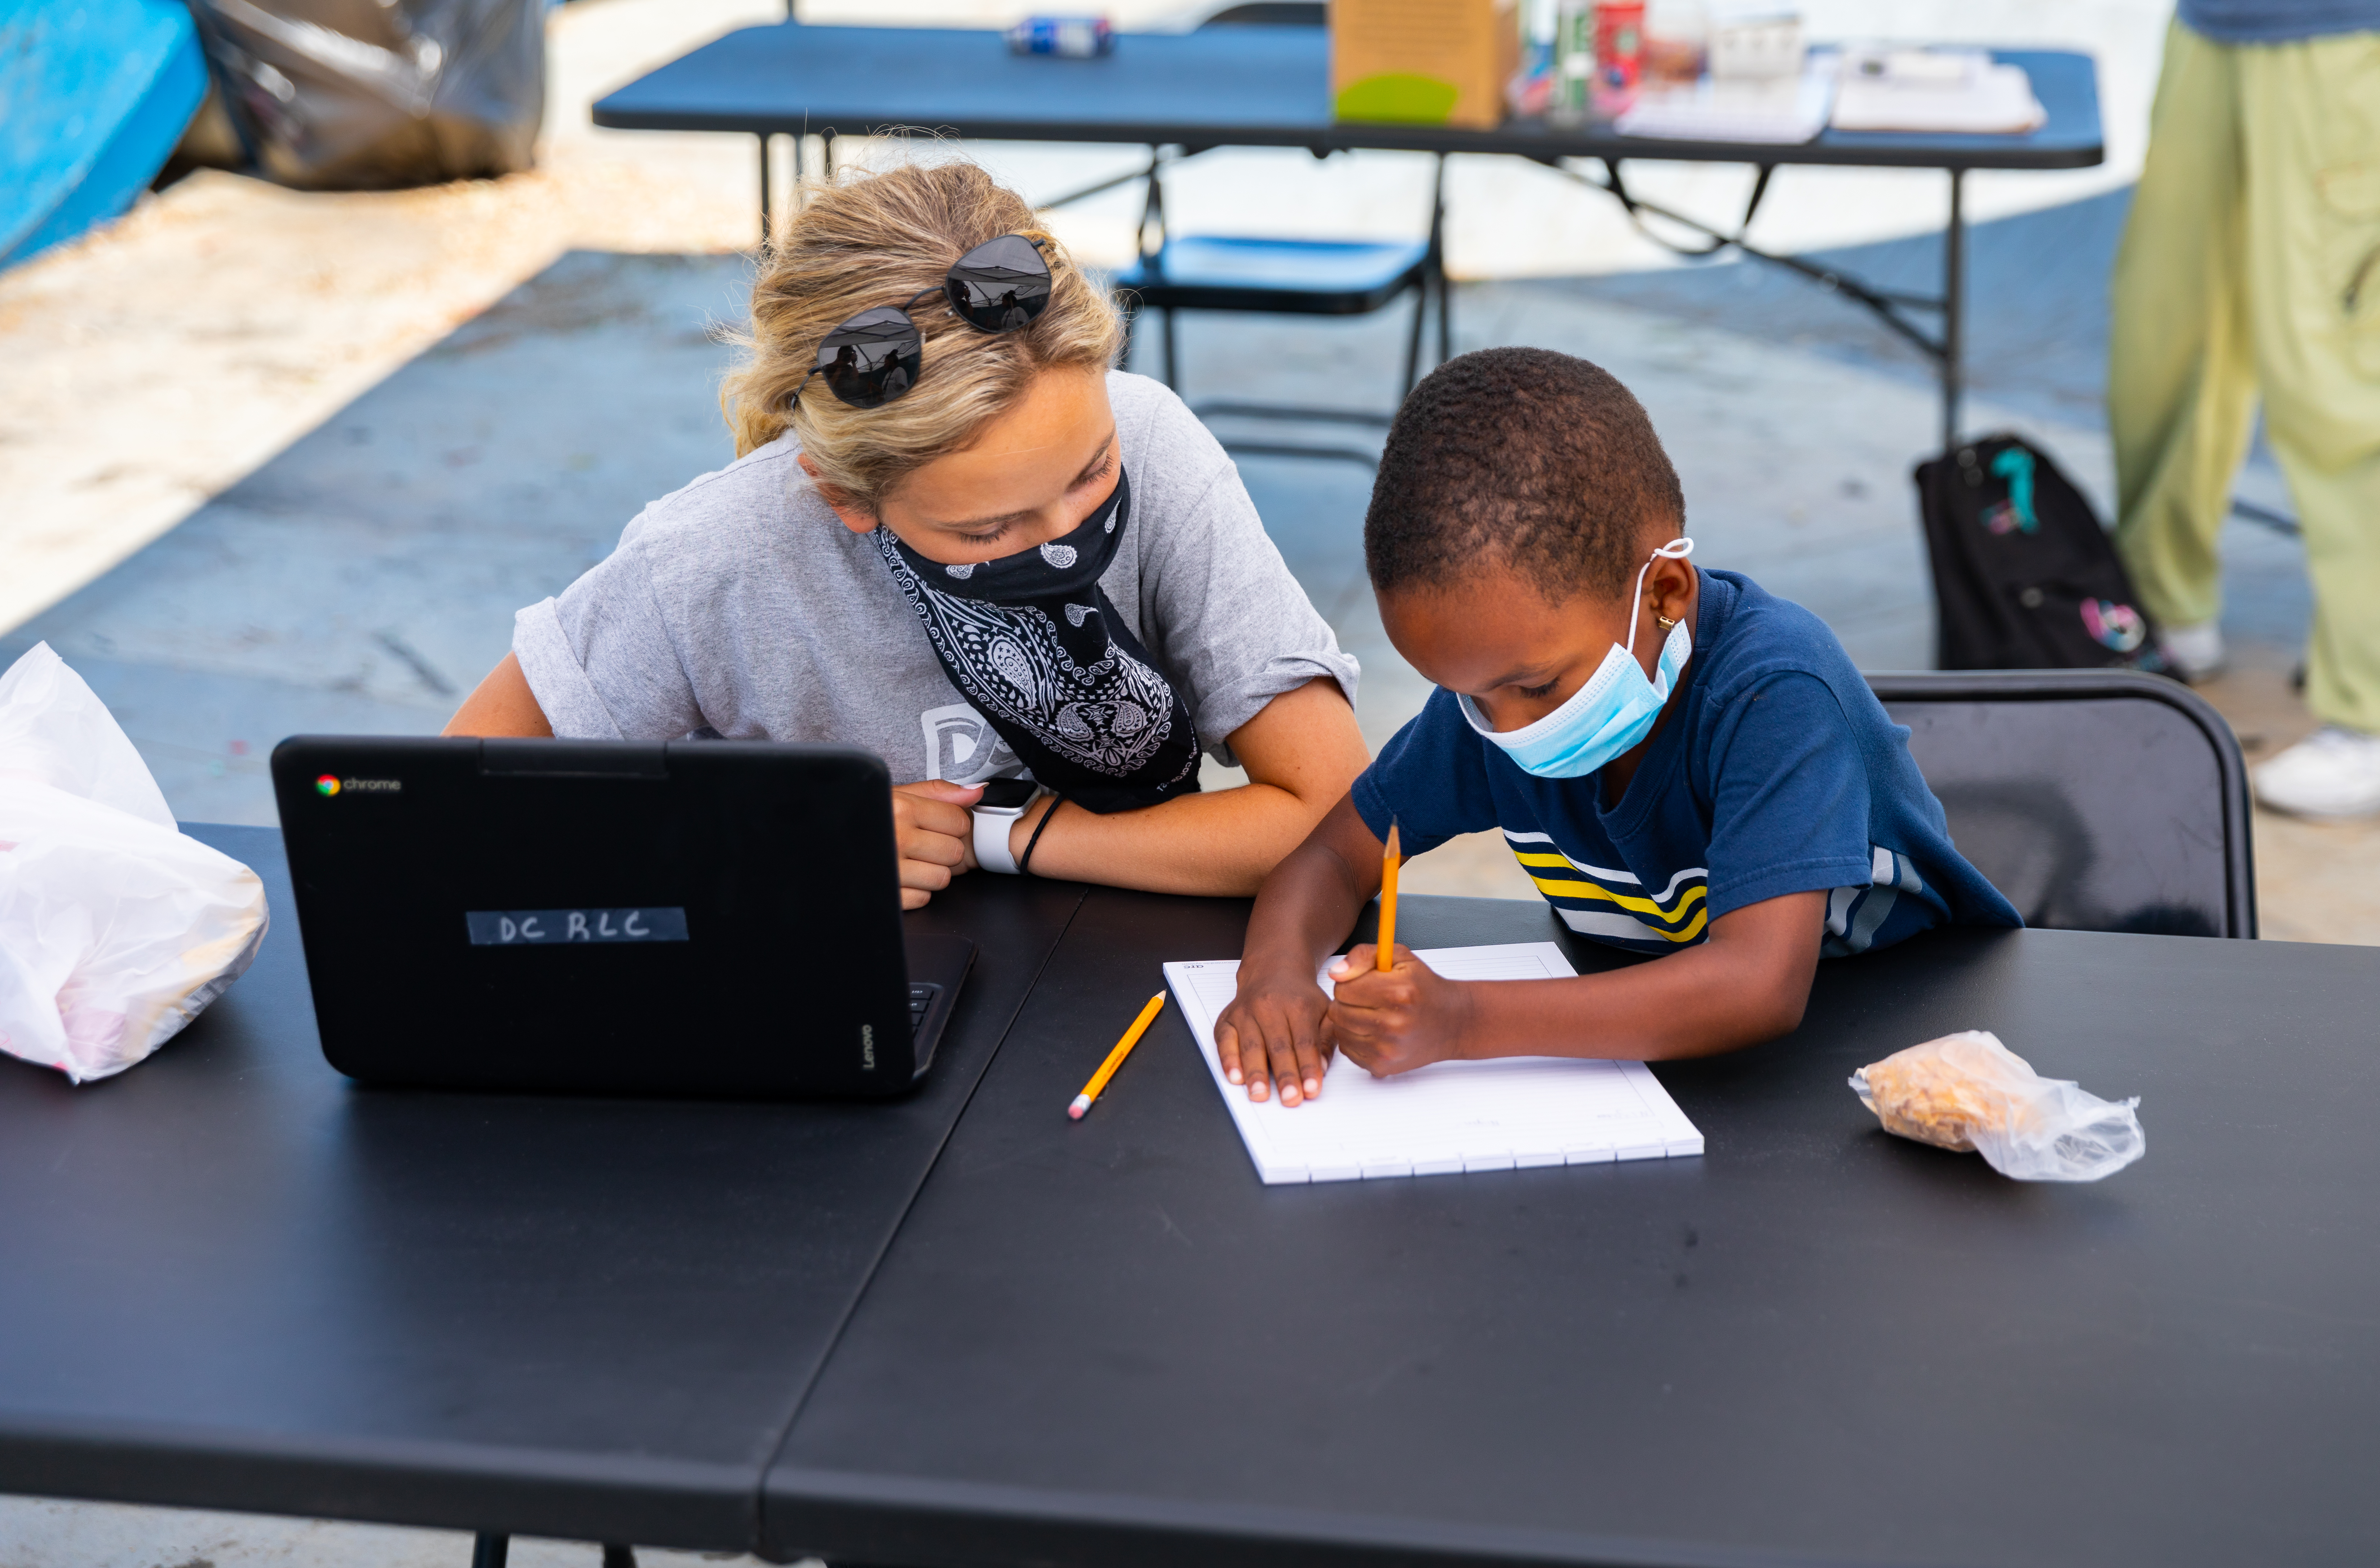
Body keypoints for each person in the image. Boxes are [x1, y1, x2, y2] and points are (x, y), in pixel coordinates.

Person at [444, 163, 1369, 905]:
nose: (1063, 538)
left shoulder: (1156, 441)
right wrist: (782, 836)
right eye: (988, 526)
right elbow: (459, 814)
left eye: (1091, 473)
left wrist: (999, 836)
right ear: (847, 497)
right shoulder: (712, 557)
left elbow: (1343, 822)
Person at [1215, 349, 2020, 1105]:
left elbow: (1756, 985)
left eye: (1534, 686)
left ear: (1664, 592)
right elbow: (1331, 854)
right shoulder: (1490, 698)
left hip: (1912, 1048)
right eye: (1465, 695)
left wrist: (1460, 1021)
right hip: (1659, 1066)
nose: (1505, 729)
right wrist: (1277, 975)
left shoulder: (1774, 694)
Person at [2109, 1, 2380, 817]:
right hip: (2210, 28)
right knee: (2164, 338)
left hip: (2340, 39)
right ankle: (2167, 604)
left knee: (2338, 380)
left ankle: (2370, 714)